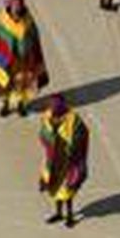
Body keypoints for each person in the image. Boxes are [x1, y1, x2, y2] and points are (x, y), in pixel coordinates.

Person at [37, 94, 90, 227]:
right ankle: (59, 213)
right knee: (54, 186)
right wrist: (48, 141)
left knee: (68, 189)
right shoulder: (47, 116)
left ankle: (70, 215)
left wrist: (70, 147)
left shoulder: (74, 119)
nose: (55, 116)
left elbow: (82, 135)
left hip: (68, 161)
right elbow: (43, 133)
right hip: (53, 158)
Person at [0, 0, 49, 117]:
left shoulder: (28, 20)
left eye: (18, 7)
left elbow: (34, 37)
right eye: (14, 6)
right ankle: (6, 104)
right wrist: (6, 52)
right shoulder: (4, 20)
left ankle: (21, 104)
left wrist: (31, 53)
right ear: (10, 7)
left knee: (24, 82)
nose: (16, 9)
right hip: (8, 58)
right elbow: (1, 36)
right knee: (7, 82)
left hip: (25, 57)